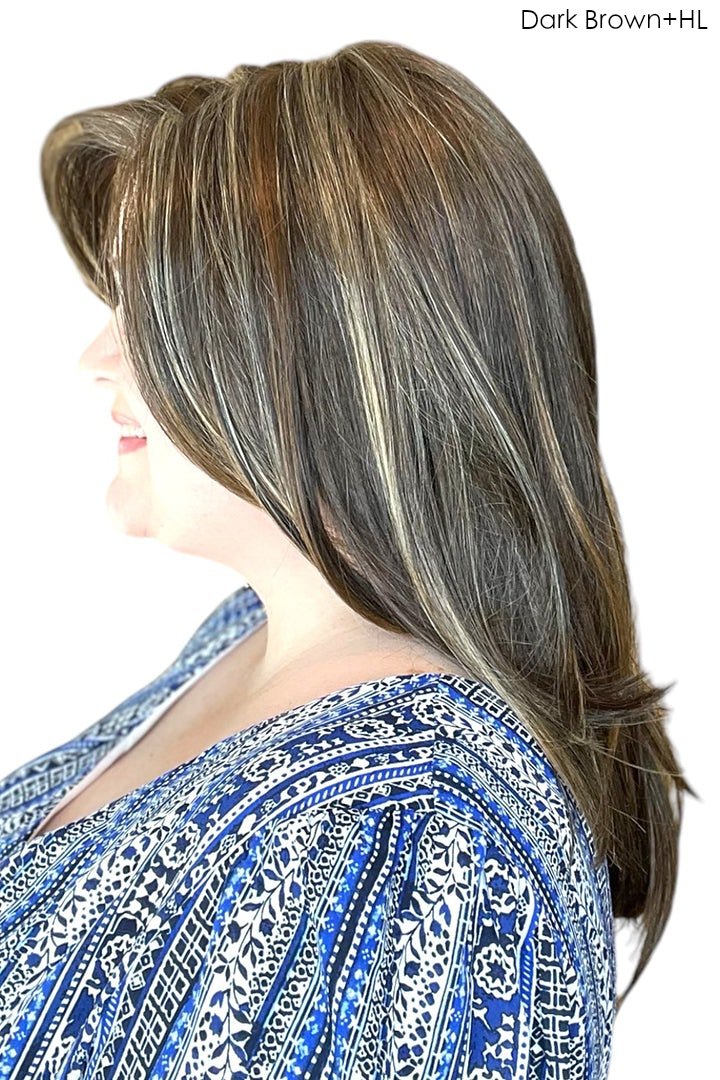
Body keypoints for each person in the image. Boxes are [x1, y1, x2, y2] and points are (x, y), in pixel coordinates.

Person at [0, 39, 693, 1079]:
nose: (96, 359)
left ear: (319, 353)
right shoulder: (253, 634)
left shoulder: (424, 844)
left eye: (150, 315)